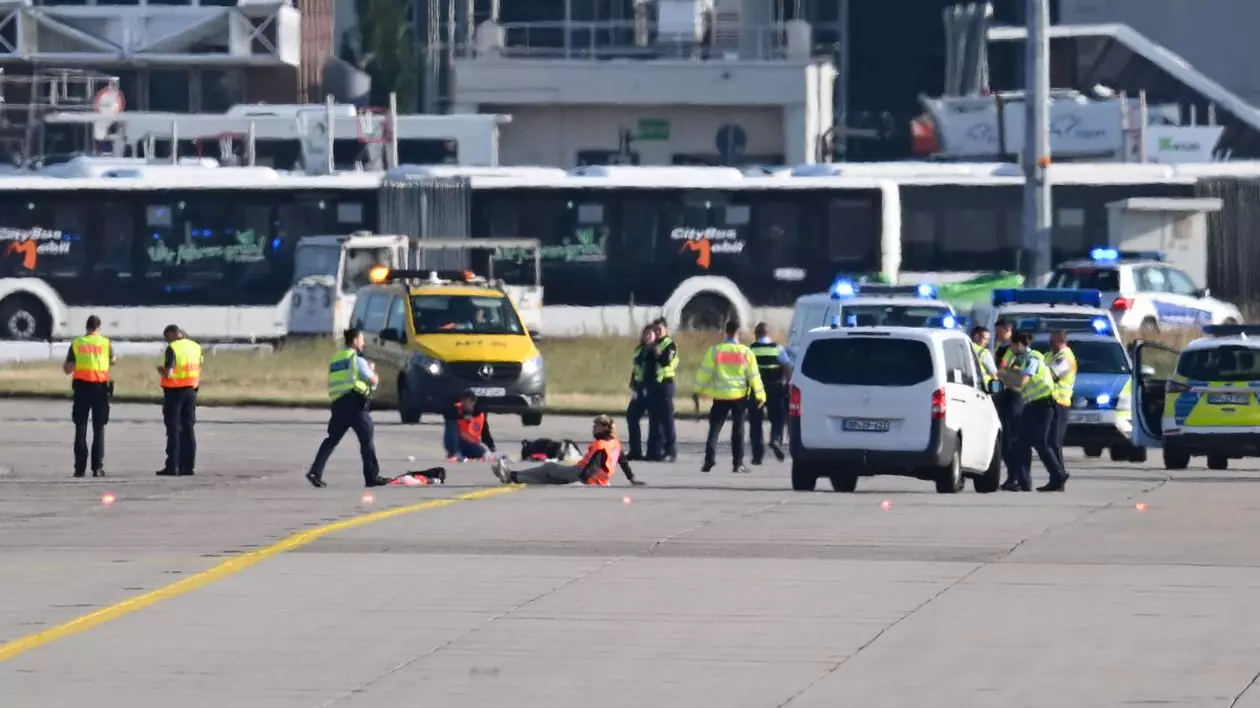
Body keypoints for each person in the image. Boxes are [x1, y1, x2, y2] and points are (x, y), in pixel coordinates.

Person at [306, 328, 390, 488]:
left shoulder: (337, 358)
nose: (363, 343)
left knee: (332, 439)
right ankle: (371, 476)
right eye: (362, 339)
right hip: (355, 403)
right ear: (355, 341)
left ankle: (315, 471)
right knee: (367, 437)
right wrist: (372, 371)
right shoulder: (357, 359)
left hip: (338, 403)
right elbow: (373, 381)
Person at [491, 415, 645, 487]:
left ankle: (511, 475)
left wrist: (582, 482)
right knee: (546, 478)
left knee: (548, 468)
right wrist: (632, 479)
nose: (593, 428)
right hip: (594, 477)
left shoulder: (601, 445)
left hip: (580, 474)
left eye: (596, 426)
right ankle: (512, 476)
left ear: (605, 428)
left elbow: (592, 465)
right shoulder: (615, 443)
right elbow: (623, 462)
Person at [999, 332, 1067, 492]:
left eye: (1013, 345)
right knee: (1020, 441)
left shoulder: (1033, 358)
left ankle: (1058, 475)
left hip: (1044, 404)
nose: (1011, 348)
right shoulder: (1023, 358)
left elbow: (1022, 381)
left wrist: (1005, 375)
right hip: (1033, 405)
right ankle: (1023, 480)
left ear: (1020, 344)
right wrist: (1008, 375)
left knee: (1040, 442)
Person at [694, 321, 765, 474]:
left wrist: (697, 390)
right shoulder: (746, 352)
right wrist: (760, 395)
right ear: (738, 332)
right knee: (738, 431)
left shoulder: (715, 351)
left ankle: (709, 459)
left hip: (720, 396)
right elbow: (754, 377)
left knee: (714, 429)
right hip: (739, 397)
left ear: (726, 332)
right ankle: (737, 464)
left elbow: (705, 372)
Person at [63, 315, 116, 478]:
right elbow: (113, 360)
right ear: (99, 328)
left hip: (81, 388)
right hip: (100, 389)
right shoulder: (106, 343)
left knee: (80, 428)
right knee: (99, 429)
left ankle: (79, 468)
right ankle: (97, 468)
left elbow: (68, 369)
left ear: (86, 328)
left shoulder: (77, 343)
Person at [155, 325, 202, 477]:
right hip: (190, 391)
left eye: (166, 337)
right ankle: (188, 466)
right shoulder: (195, 347)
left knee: (173, 429)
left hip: (174, 393)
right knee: (188, 429)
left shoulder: (173, 348)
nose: (166, 341)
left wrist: (161, 371)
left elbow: (169, 373)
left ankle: (172, 466)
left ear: (172, 334)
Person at [748, 322, 791, 464]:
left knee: (756, 422)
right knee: (777, 418)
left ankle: (757, 456)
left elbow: (745, 370)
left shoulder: (750, 350)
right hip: (775, 389)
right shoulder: (777, 348)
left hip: (756, 391)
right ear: (767, 334)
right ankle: (775, 439)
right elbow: (787, 366)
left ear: (756, 334)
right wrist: (786, 382)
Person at [991, 319, 1024, 488]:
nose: (996, 334)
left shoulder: (1016, 351)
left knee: (1012, 440)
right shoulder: (1001, 348)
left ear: (1008, 329)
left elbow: (1016, 376)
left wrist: (1000, 377)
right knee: (1004, 441)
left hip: (1013, 397)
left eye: (999, 331)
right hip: (1001, 396)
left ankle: (1017, 478)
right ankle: (1013, 477)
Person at [645, 317, 679, 462]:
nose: (657, 332)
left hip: (666, 385)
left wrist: (658, 352)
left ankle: (670, 451)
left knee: (667, 420)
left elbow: (666, 361)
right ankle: (654, 451)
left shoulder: (670, 344)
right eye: (655, 330)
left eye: (660, 329)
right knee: (654, 419)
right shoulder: (652, 344)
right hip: (653, 385)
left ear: (666, 329)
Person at [1047, 329, 1078, 481]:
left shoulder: (1065, 357)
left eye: (1052, 340)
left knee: (1053, 440)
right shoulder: (1051, 355)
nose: (1049, 343)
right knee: (1050, 441)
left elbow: (1051, 374)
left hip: (1060, 403)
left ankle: (1059, 474)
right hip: (1051, 403)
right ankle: (1057, 475)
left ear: (1060, 341)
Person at [625, 325, 657, 460]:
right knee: (632, 416)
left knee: (654, 421)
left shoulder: (655, 350)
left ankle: (652, 452)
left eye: (651, 334)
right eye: (646, 334)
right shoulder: (639, 349)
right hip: (639, 387)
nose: (648, 336)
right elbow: (636, 367)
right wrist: (632, 381)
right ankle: (635, 450)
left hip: (651, 389)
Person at [444, 389, 497, 461]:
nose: (465, 404)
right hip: (457, 441)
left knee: (483, 451)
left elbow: (485, 432)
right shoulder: (454, 411)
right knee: (452, 424)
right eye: (463, 401)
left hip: (471, 444)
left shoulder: (479, 414)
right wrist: (462, 416)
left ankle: (465, 455)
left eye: (468, 402)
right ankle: (455, 453)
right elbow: (453, 430)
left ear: (473, 402)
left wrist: (491, 447)